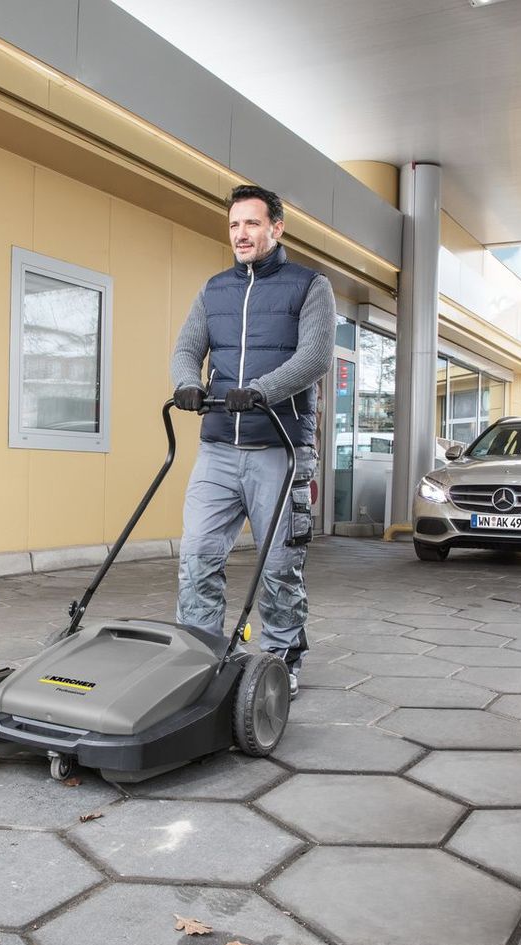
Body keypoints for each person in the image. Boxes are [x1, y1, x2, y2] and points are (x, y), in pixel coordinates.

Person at [170, 184, 334, 699]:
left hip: (279, 448)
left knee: (280, 566)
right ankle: (199, 654)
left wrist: (259, 392)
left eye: (252, 224)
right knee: (197, 554)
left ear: (276, 228)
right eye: (235, 224)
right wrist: (187, 386)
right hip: (218, 448)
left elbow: (316, 358)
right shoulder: (213, 289)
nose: (241, 234)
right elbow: (186, 349)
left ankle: (283, 657)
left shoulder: (309, 286)